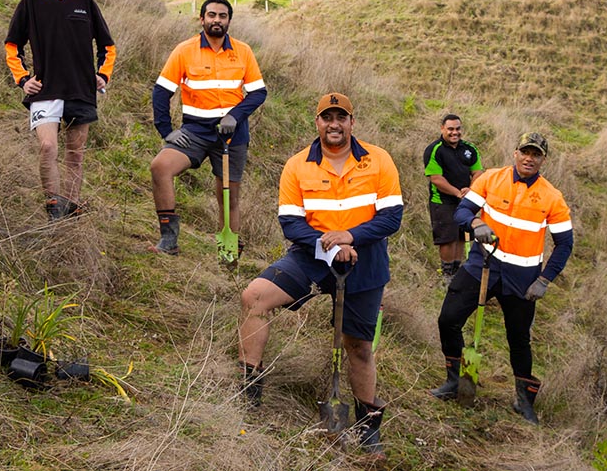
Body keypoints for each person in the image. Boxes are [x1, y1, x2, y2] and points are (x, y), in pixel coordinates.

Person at [237, 93, 403, 458]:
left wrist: (352, 237)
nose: (334, 124)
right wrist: (329, 245)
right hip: (311, 256)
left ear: (352, 123)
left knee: (357, 346)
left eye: (340, 117)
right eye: (327, 117)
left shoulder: (379, 160)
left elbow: (392, 217)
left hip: (366, 260)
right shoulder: (298, 165)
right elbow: (290, 222)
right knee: (255, 297)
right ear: (317, 123)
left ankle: (367, 425)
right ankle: (249, 391)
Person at [430, 132, 573, 425]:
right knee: (448, 319)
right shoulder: (490, 180)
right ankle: (455, 380)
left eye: (536, 154)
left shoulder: (552, 197)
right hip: (482, 265)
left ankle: (523, 401)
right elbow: (463, 210)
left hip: (523, 278)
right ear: (515, 152)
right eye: (525, 152)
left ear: (543, 159)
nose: (529, 158)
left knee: (518, 339)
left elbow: (565, 244)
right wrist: (475, 222)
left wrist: (544, 280)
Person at [5, 0, 116, 221]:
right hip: (45, 90)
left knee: (75, 153)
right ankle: (53, 206)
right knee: (47, 147)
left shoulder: (85, 2)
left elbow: (108, 46)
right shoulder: (31, 2)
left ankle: (71, 208)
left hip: (81, 90)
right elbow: (12, 45)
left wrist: (102, 75)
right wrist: (22, 79)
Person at [148, 0, 267, 255]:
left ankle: (228, 252)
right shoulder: (184, 50)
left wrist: (234, 117)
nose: (217, 20)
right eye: (211, 15)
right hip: (195, 131)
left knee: (228, 195)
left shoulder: (243, 51)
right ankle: (169, 240)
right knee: (160, 167)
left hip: (232, 135)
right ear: (202, 19)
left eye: (222, 16)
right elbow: (161, 91)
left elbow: (259, 92)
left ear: (229, 21)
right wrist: (167, 130)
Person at [423, 114, 483, 283]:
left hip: (466, 201)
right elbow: (436, 178)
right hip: (442, 201)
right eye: (450, 129)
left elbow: (478, 172)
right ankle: (447, 275)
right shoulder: (434, 150)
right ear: (442, 129)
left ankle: (457, 271)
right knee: (447, 238)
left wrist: (471, 189)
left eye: (457, 129)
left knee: (461, 237)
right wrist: (457, 192)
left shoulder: (470, 149)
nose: (454, 132)